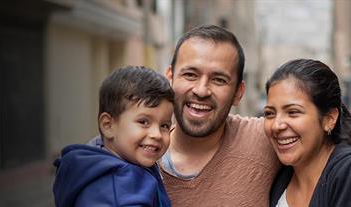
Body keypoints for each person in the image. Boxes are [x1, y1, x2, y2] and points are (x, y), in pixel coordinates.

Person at [160, 24, 281, 206]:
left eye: (219, 80)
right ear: (169, 78)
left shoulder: (264, 138)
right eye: (190, 74)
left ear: (238, 93)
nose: (201, 91)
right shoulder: (136, 155)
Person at [53, 66, 174, 206]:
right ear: (108, 125)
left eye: (164, 125)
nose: (157, 134)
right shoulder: (118, 189)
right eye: (143, 122)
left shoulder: (109, 161)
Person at [264, 59, 351, 207]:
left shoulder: (346, 172)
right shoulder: (278, 178)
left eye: (293, 112)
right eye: (270, 113)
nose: (276, 125)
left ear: (329, 119)